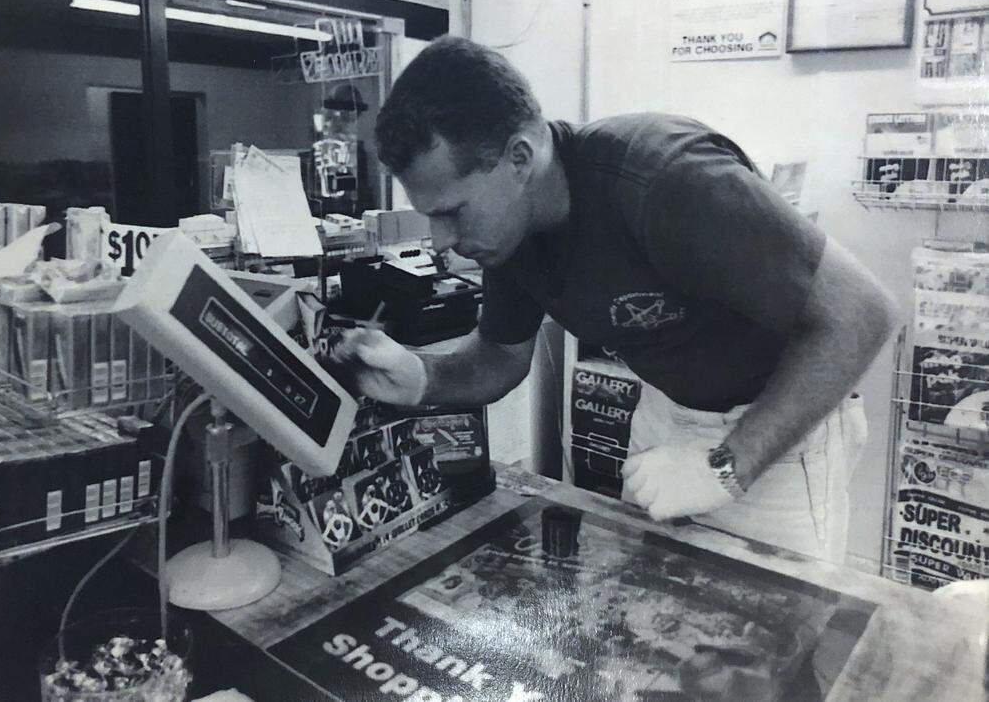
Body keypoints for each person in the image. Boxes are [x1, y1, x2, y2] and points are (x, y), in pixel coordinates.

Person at [333, 36, 897, 563]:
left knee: (777, 644)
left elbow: (862, 314)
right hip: (665, 417)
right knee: (657, 625)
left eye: (451, 212)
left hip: (777, 431)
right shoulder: (511, 235)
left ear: (520, 159)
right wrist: (422, 376)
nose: (441, 242)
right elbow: (500, 358)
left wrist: (727, 466)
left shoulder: (666, 179)